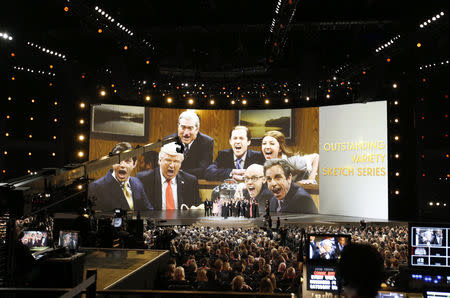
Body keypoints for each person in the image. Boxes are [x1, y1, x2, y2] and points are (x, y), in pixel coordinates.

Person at [89, 142, 153, 211]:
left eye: (127, 161)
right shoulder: (96, 187)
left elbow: (149, 211)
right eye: (118, 160)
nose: (122, 165)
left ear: (134, 164)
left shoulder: (137, 183)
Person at [137, 142, 201, 210]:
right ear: (160, 161)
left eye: (176, 161)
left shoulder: (190, 181)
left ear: (180, 164)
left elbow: (197, 206)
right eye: (168, 160)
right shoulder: (144, 179)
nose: (171, 165)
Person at [164, 110, 214, 179]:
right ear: (178, 127)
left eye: (190, 128)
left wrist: (178, 172)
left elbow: (204, 170)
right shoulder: (168, 141)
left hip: (195, 182)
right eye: (183, 127)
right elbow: (165, 167)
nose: (186, 133)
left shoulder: (207, 142)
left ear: (197, 129)